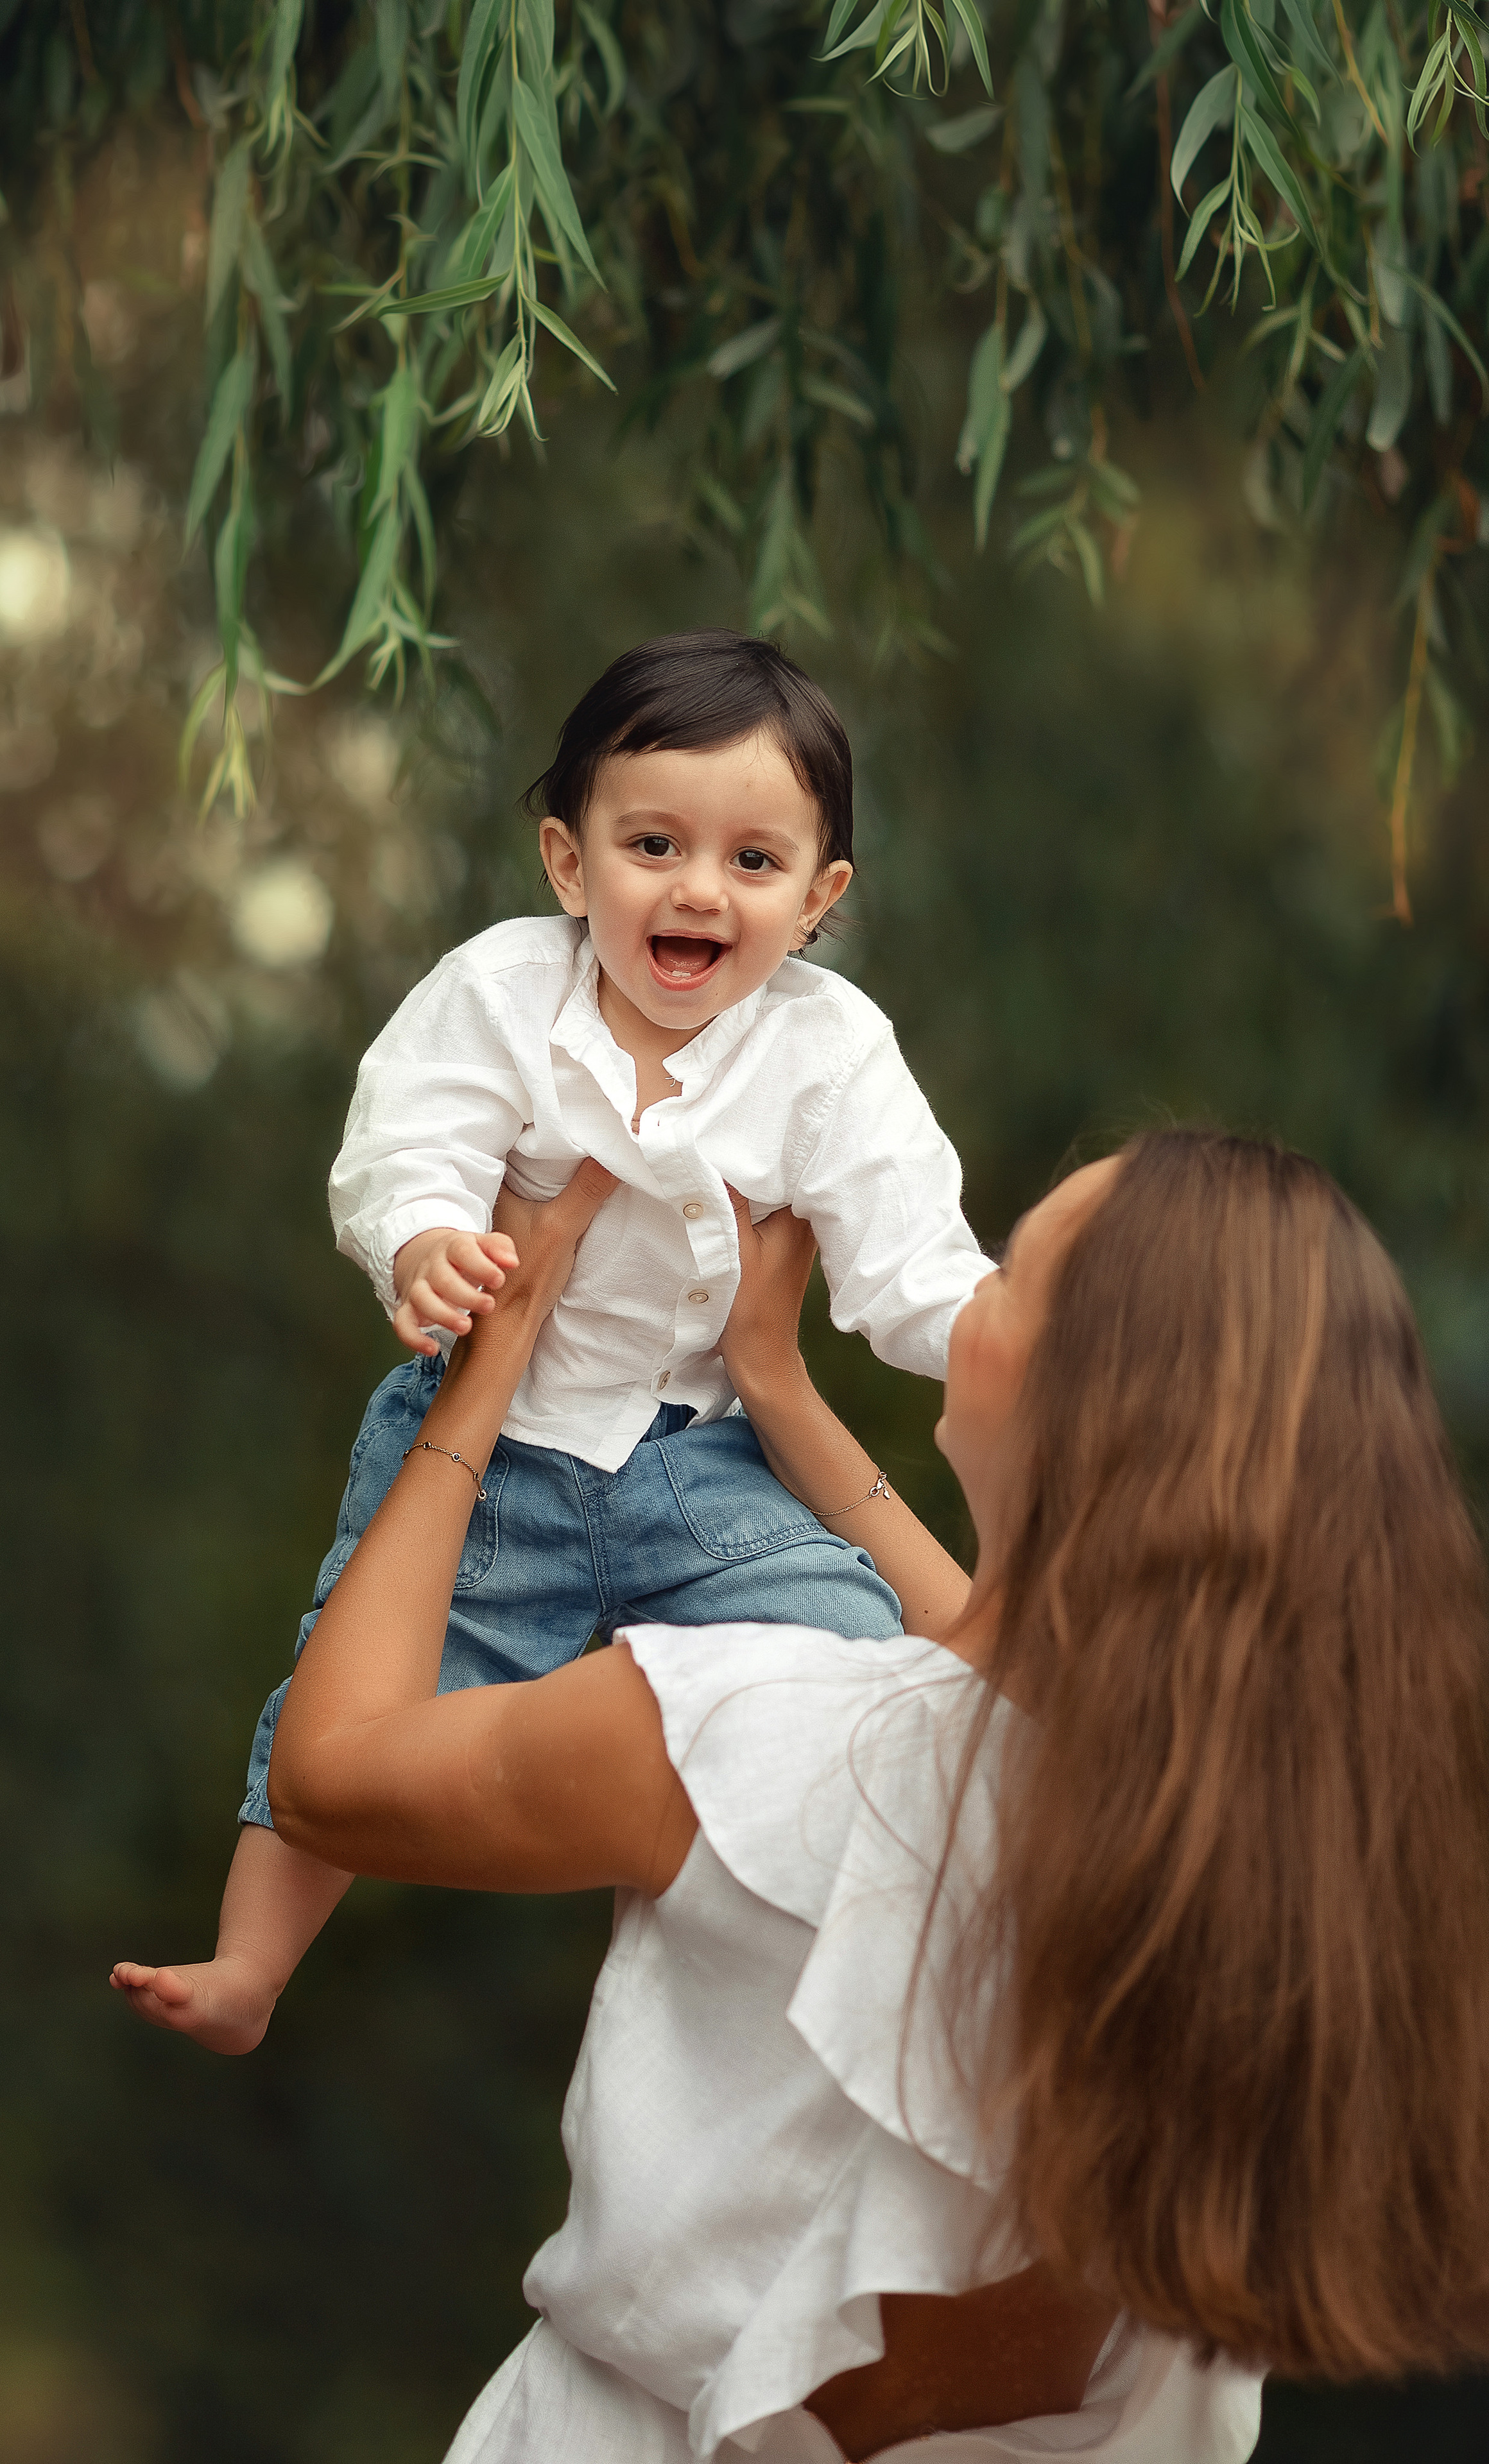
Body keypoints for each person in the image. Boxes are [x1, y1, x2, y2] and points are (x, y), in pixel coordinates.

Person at [260, 1127, 1489, 2461]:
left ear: (1087, 1392)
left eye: (1012, 1272)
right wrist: (773, 1387)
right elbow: (981, 1689)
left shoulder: (729, 1735)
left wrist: (483, 1385)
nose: (970, 1293)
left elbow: (329, 1776)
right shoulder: (1260, 1874)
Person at [112, 629, 989, 2052]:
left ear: (820, 898)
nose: (700, 888)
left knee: (858, 1646)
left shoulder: (831, 1055)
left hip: (701, 1459)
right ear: (569, 864)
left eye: (754, 865)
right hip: (488, 1445)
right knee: (357, 1690)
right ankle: (249, 1968)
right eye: (654, 844)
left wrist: (999, 1337)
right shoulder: (500, 992)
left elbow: (908, 1260)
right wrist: (426, 1241)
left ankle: (885, 1973)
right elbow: (410, 1133)